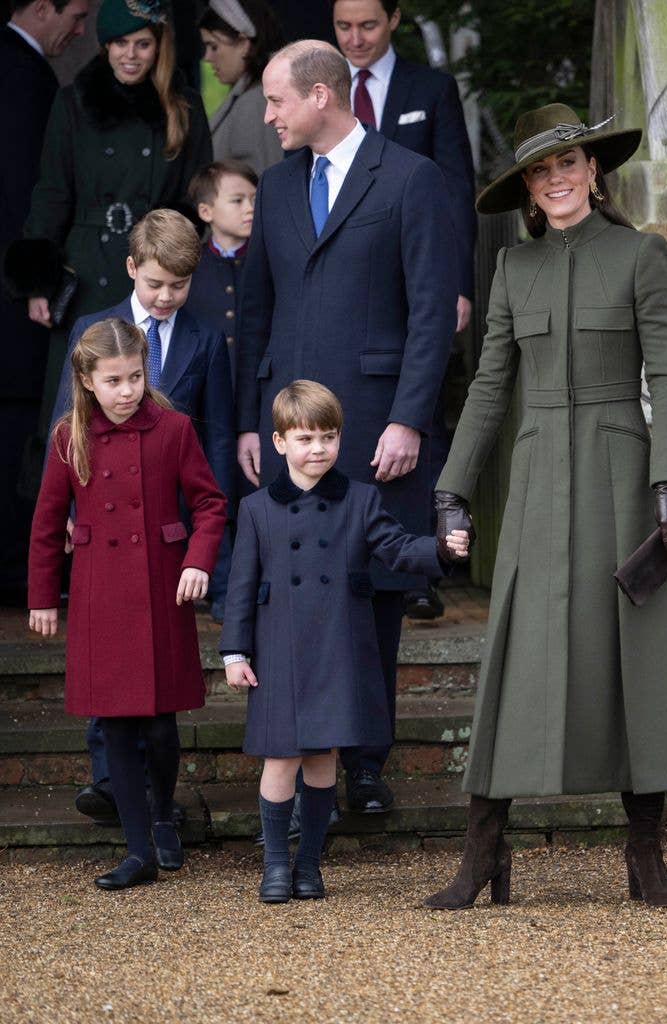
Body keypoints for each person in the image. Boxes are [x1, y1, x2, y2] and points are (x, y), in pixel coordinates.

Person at [425, 104, 667, 911]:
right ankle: (483, 852)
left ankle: (644, 855)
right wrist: (450, 487)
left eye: (568, 165)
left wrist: (666, 482)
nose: (556, 180)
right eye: (540, 172)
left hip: (623, 473)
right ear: (527, 187)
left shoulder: (639, 254)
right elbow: (488, 387)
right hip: (539, 472)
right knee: (521, 647)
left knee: (636, 654)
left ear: (591, 171)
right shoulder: (514, 270)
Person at [235, 41, 457, 814]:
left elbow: (432, 314)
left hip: (372, 431)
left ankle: (362, 766)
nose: (267, 116)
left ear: (322, 96)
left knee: (373, 594)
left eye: (275, 101)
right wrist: (246, 423)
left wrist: (409, 420)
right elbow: (255, 312)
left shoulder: (410, 178)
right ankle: (290, 762)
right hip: (285, 430)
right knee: (288, 594)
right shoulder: (274, 186)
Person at [220, 380, 469, 902]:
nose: (318, 449)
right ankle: (274, 865)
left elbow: (397, 548)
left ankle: (309, 865)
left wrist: (440, 551)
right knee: (280, 758)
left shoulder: (360, 499)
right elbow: (241, 586)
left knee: (322, 760)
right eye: (306, 438)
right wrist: (235, 652)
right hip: (279, 651)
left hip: (337, 646)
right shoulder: (257, 509)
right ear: (280, 442)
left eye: (329, 438)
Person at [49, 209, 235, 825]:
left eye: (177, 287)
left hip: (165, 527)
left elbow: (216, 436)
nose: (164, 297)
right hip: (102, 527)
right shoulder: (91, 328)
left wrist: (209, 545)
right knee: (107, 652)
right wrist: (74, 509)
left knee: (153, 662)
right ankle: (108, 781)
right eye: (154, 284)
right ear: (132, 269)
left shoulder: (206, 339)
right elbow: (65, 425)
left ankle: (154, 796)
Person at [28, 318, 226, 890]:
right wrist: (44, 596)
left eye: (135, 377)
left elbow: (210, 504)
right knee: (115, 725)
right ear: (88, 380)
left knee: (162, 728)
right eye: (113, 380)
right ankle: (137, 849)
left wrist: (197, 559)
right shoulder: (70, 437)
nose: (127, 391)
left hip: (162, 587)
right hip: (99, 592)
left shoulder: (173, 428)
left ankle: (164, 814)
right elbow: (46, 523)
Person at [3, 0, 212, 446]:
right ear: (104, 45)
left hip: (150, 270)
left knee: (146, 395)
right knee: (78, 403)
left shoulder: (184, 105)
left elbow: (194, 195)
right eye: (120, 43)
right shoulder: (74, 101)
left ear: (160, 47)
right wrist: (38, 280)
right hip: (85, 267)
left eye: (142, 44)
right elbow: (52, 190)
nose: (130, 55)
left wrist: (173, 259)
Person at [331, 0, 478, 619]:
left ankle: (422, 568)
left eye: (368, 25)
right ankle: (353, 557)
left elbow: (455, 188)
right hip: (357, 279)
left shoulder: (431, 88)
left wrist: (457, 284)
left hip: (421, 273)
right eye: (343, 27)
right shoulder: (323, 88)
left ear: (394, 18)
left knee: (423, 419)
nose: (356, 38)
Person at [0, 0, 89, 608]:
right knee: (18, 428)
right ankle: (17, 571)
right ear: (40, 7)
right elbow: (31, 193)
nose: (80, 31)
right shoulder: (26, 81)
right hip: (16, 303)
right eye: (77, 15)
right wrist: (38, 280)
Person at [185, 159, 258, 388]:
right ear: (206, 212)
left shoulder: (270, 260)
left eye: (254, 199)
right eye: (238, 200)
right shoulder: (190, 266)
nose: (250, 208)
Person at [199, 0, 284, 172]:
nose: (207, 57)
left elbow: (257, 182)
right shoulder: (248, 97)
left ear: (244, 44)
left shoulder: (254, 103)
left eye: (214, 47)